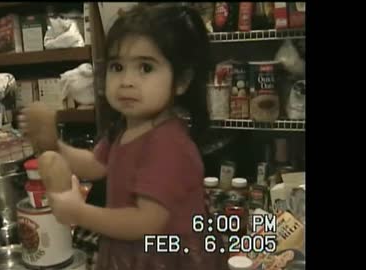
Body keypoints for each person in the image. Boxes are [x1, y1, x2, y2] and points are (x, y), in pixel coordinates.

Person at [19, 4, 227, 270]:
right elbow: (95, 165)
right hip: (130, 248)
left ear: (182, 81)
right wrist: (54, 145)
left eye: (145, 68)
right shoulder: (128, 127)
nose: (127, 81)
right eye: (117, 67)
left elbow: (146, 222)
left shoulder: (170, 146)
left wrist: (79, 213)